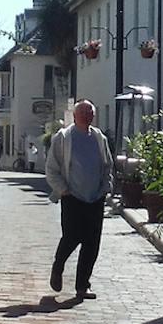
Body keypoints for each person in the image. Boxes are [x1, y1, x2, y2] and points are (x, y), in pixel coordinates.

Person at [44, 100, 113, 299]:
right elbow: (52, 168)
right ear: (75, 115)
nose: (86, 115)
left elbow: (107, 165)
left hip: (95, 197)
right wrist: (63, 190)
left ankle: (83, 285)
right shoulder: (63, 137)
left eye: (90, 112)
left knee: (92, 243)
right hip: (72, 196)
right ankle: (58, 266)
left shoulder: (99, 138)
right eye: (82, 112)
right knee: (71, 238)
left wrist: (105, 187)